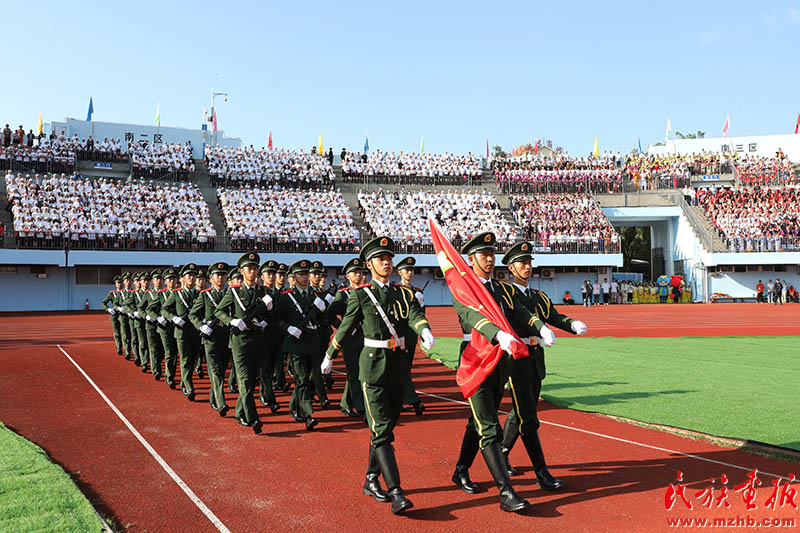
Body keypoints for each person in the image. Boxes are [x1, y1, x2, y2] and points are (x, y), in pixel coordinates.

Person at [322, 236, 434, 514]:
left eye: (389, 258)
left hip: (397, 367)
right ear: (370, 264)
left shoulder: (403, 294)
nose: (387, 262)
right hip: (371, 368)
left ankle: (371, 478)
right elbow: (346, 327)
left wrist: (424, 330)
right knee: (382, 430)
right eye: (380, 259)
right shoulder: (361, 294)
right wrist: (329, 355)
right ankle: (396, 491)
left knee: (386, 426)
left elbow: (415, 315)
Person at [448, 232, 553, 514]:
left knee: (478, 423)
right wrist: (497, 334)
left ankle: (460, 470)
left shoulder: (501, 289)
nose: (490, 259)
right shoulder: (464, 288)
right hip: (475, 361)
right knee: (490, 428)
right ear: (470, 260)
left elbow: (519, 311)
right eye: (484, 255)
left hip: (498, 362)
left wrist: (539, 326)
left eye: (492, 254)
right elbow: (471, 316)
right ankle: (506, 492)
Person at [500, 242, 587, 489]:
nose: (527, 267)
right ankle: (541, 473)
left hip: (535, 358)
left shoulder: (538, 296)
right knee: (527, 415)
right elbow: (519, 316)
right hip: (515, 359)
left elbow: (554, 316)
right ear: (510, 266)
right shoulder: (506, 293)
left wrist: (571, 324)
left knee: (521, 411)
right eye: (522, 263)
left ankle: (502, 452)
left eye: (529, 263)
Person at [215, 253, 270, 434]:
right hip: (239, 343)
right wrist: (231, 321)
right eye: (249, 268)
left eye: (255, 268)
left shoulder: (263, 292)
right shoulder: (235, 292)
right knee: (245, 381)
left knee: (252, 380)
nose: (253, 272)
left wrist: (265, 320)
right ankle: (253, 418)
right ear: (241, 271)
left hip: (258, 342)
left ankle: (240, 411)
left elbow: (269, 315)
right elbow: (219, 311)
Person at [273, 259, 325, 431]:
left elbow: (320, 320)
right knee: (302, 379)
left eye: (306, 274)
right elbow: (277, 319)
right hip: (295, 343)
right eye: (301, 275)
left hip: (312, 342)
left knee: (307, 379)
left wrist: (322, 309)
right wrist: (288, 328)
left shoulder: (314, 296)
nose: (305, 277)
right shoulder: (287, 297)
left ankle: (294, 408)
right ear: (294, 278)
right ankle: (307, 414)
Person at [325, 257, 366, 417]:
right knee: (354, 372)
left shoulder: (367, 292)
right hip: (349, 340)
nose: (359, 276)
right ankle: (359, 406)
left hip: (364, 337)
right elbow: (329, 314)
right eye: (355, 273)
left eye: (361, 273)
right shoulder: (343, 295)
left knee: (358, 373)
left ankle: (346, 404)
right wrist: (343, 327)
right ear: (348, 276)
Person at [190, 262, 232, 416]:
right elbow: (192, 314)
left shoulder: (231, 293)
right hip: (211, 338)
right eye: (217, 275)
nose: (220, 278)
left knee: (221, 370)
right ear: (211, 278)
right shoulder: (205, 295)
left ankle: (212, 397)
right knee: (215, 371)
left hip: (227, 337)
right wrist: (201, 326)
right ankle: (221, 403)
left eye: (223, 275)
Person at [162, 264, 203, 402]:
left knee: (192, 360)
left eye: (194, 275)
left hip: (196, 332)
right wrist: (174, 318)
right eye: (189, 275)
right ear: (183, 279)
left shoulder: (200, 294)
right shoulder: (176, 294)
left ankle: (184, 382)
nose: (192, 278)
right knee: (185, 359)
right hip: (182, 332)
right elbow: (164, 309)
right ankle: (189, 386)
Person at [394, 256, 426, 416]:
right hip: (398, 337)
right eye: (407, 270)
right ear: (400, 272)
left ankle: (397, 401)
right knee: (403, 370)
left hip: (411, 337)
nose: (410, 272)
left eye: (412, 270)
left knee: (404, 371)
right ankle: (415, 401)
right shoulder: (395, 290)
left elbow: (421, 317)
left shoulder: (417, 292)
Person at [255, 260, 283, 413]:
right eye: (268, 274)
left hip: (277, 336)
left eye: (274, 274)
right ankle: (270, 399)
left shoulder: (280, 293)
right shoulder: (259, 292)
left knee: (272, 368)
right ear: (262, 277)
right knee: (265, 369)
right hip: (263, 336)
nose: (272, 276)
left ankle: (263, 393)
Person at [155, 268, 180, 389]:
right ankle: (169, 376)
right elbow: (149, 309)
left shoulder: (179, 293)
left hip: (178, 327)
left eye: (174, 279)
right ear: (165, 281)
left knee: (174, 353)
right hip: (165, 328)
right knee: (168, 352)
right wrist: (158, 317)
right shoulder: (160, 294)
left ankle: (170, 374)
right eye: (169, 279)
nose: (172, 281)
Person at [144, 269, 166, 380]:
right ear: (153, 281)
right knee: (153, 348)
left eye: (160, 279)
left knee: (162, 349)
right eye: (156, 279)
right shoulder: (148, 294)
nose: (158, 281)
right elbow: (141, 307)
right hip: (151, 324)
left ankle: (159, 365)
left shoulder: (165, 293)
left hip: (163, 324)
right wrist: (146, 316)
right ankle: (156, 370)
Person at [101, 276, 124, 355]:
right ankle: (119, 347)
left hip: (124, 315)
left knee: (124, 333)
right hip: (115, 315)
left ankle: (127, 348)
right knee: (117, 332)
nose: (119, 284)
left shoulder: (127, 292)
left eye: (120, 282)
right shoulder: (112, 294)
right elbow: (103, 302)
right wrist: (108, 309)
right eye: (118, 283)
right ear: (115, 284)